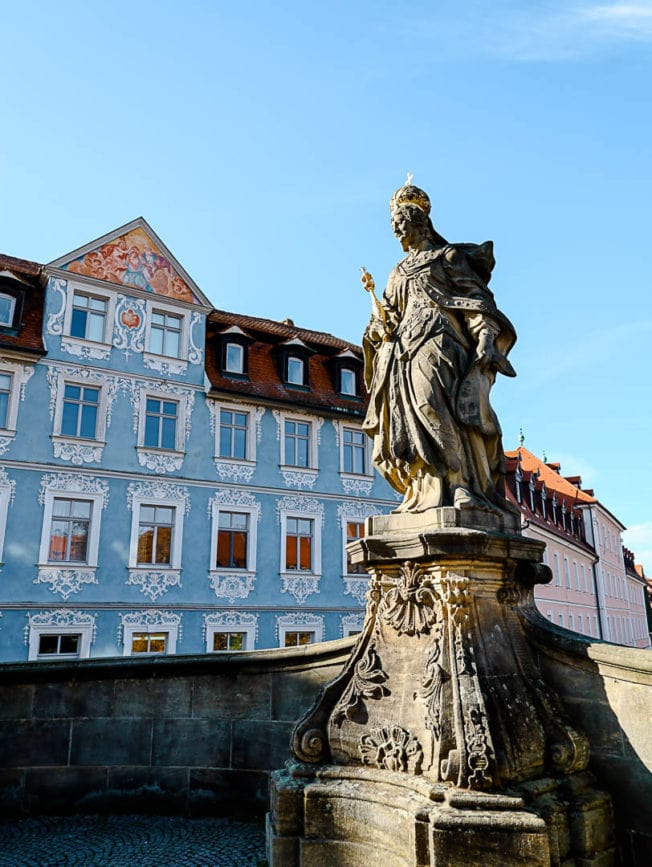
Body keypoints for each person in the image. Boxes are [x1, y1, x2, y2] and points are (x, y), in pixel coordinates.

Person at [362, 182, 516, 513]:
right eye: (394, 228)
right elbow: (388, 314)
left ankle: (460, 484)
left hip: (441, 341)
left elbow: (476, 301)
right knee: (408, 417)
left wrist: (486, 336)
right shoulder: (396, 272)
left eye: (402, 224)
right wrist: (377, 327)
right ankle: (425, 485)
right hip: (403, 350)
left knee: (433, 405)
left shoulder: (447, 257)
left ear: (420, 223)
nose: (398, 232)